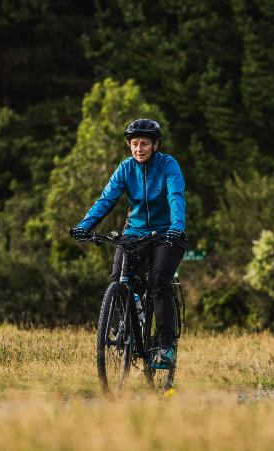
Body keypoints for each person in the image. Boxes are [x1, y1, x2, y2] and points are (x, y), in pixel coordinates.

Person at [69, 119, 187, 368]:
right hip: (134, 232)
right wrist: (85, 225)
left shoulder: (168, 166)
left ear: (155, 145)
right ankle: (125, 328)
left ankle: (166, 347)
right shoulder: (125, 169)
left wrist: (177, 227)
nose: (139, 149)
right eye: (134, 144)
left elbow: (175, 197)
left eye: (144, 144)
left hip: (167, 234)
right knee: (118, 279)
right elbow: (106, 199)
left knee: (158, 282)